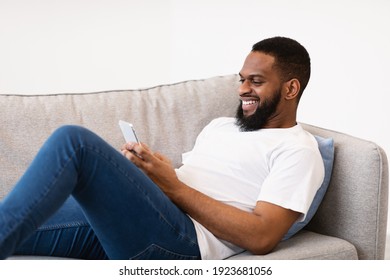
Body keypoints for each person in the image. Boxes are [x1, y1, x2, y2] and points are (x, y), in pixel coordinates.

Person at [0, 36, 324, 260]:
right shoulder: (222, 126)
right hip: (151, 220)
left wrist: (173, 188)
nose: (242, 90)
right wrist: (157, 173)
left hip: (182, 243)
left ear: (290, 88)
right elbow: (192, 182)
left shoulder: (298, 151)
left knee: (74, 142)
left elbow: (262, 237)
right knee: (14, 223)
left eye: (255, 81)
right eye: (241, 79)